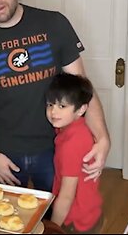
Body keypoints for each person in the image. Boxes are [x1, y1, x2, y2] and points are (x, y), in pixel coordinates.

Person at [0, 0, 110, 192]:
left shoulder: (54, 24)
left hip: (57, 146)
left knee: (55, 221)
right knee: (6, 222)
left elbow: (82, 86)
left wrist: (102, 137)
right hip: (3, 155)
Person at [46, 73, 103, 233]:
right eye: (50, 104)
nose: (53, 112)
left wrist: (52, 228)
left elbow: (66, 196)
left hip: (75, 221)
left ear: (81, 109)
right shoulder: (78, 127)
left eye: (62, 106)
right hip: (89, 211)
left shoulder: (72, 143)